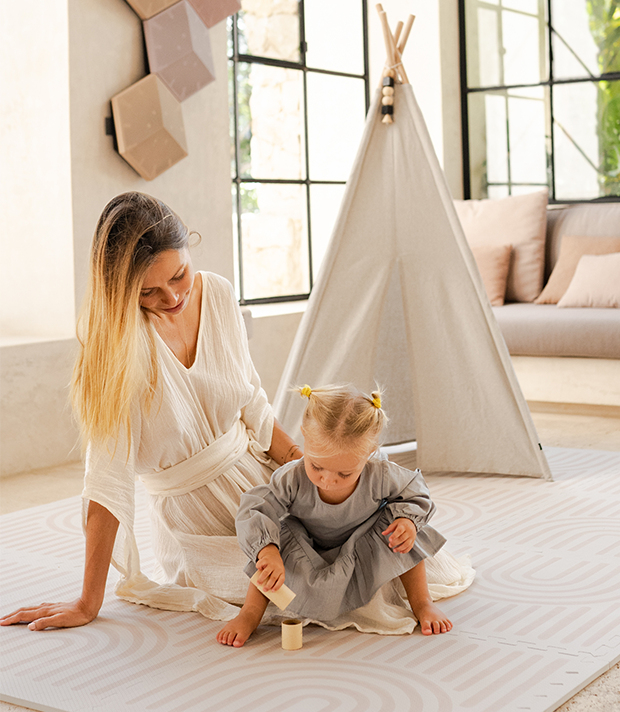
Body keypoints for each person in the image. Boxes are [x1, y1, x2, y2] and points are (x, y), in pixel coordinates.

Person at [0, 191, 303, 631]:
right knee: (297, 590)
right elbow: (107, 483)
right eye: (149, 291)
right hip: (196, 518)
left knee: (363, 542)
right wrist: (88, 602)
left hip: (260, 485)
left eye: (179, 275)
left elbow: (251, 399)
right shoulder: (115, 351)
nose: (173, 296)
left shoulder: (216, 293)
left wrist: (302, 465)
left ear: (189, 248)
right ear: (121, 289)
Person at [217, 383, 467, 648]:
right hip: (308, 545)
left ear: (369, 453)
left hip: (362, 540)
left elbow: (414, 491)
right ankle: (250, 612)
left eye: (344, 474)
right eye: (317, 466)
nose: (328, 480)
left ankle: (421, 603)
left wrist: (408, 522)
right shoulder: (291, 477)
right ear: (304, 436)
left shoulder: (380, 474)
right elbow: (257, 508)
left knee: (402, 531)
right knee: (269, 552)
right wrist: (267, 551)